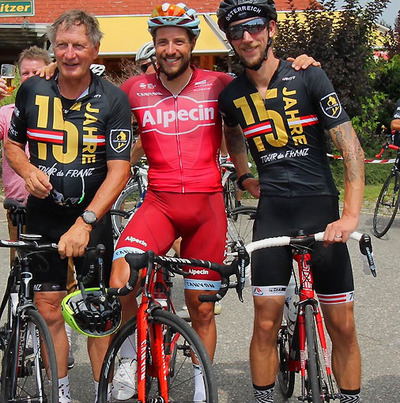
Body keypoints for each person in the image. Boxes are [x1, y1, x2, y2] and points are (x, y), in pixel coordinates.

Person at [107, 2, 319, 400]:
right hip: (159, 205)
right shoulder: (132, 89)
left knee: (201, 306)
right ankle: (129, 359)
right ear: (153, 46)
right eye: (162, 42)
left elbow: (252, 104)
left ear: (191, 44)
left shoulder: (220, 83)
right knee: (123, 279)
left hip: (207, 211)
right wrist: (51, 74)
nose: (170, 49)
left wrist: (301, 63)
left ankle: (203, 388)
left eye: (178, 41)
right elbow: (95, 102)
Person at [216, 1, 365, 402]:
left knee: (343, 325)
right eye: (237, 32)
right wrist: (245, 174)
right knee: (265, 324)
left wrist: (350, 216)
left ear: (271, 29)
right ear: (230, 40)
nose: (247, 37)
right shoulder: (231, 93)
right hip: (274, 213)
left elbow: (350, 148)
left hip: (320, 207)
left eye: (255, 27)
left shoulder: (308, 75)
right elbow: (231, 132)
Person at [4, 9, 132, 402]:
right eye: (62, 45)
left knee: (98, 315)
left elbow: (119, 171)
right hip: (43, 217)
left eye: (79, 45)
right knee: (47, 308)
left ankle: (101, 394)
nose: (70, 53)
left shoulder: (113, 99)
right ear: (52, 48)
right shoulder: (32, 90)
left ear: (95, 50)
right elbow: (12, 143)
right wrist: (26, 171)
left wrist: (87, 221)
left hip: (91, 220)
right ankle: (59, 395)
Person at [0, 46, 51, 259]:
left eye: (36, 72)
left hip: (53, 205)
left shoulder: (60, 108)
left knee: (60, 271)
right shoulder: (6, 112)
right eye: (25, 73)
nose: (30, 77)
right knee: (20, 269)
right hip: (19, 207)